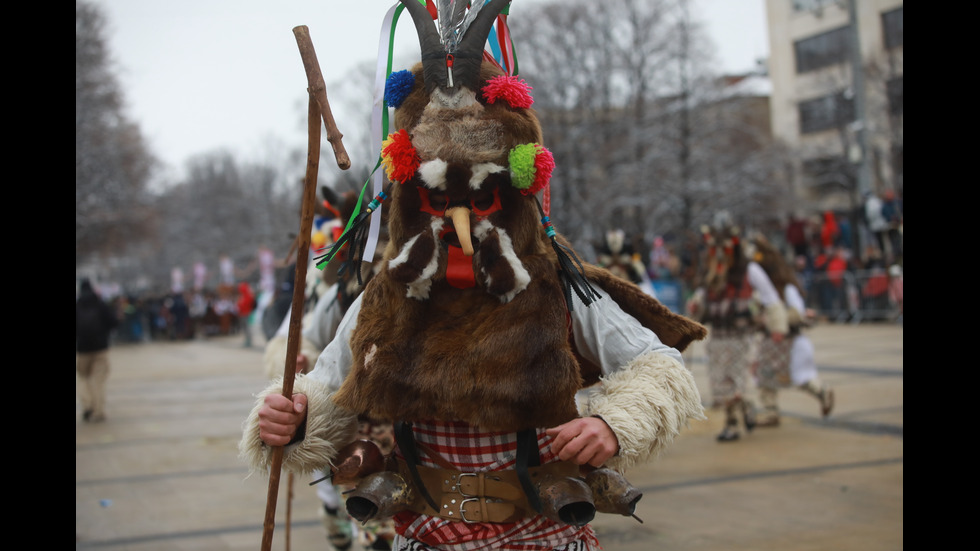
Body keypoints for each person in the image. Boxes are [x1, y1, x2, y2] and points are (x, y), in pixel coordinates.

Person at [240, 3, 707, 549]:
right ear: (412, 199)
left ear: (514, 192)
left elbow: (658, 364)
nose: (459, 222)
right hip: (428, 537)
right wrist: (289, 420)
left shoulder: (554, 284)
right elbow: (325, 386)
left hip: (543, 537)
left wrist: (612, 424)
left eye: (482, 197)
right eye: (438, 199)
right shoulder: (386, 298)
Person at [686, 222, 785, 442]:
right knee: (720, 381)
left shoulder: (749, 270)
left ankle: (731, 424)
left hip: (743, 335)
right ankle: (746, 407)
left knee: (736, 381)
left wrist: (778, 326)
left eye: (725, 250)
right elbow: (699, 297)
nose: (720, 256)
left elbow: (771, 297)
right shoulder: (710, 274)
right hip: (718, 335)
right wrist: (694, 307)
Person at [747, 234, 834, 427]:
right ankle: (771, 412)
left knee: (798, 375)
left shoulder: (786, 289)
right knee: (764, 375)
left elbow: (797, 313)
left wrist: (775, 320)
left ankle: (822, 392)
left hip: (789, 341)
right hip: (773, 341)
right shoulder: (762, 291)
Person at [76, 278, 119, 423]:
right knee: (98, 380)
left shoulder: (78, 305)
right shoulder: (100, 304)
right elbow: (113, 322)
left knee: (83, 378)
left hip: (82, 349)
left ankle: (87, 405)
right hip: (100, 348)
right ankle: (98, 410)